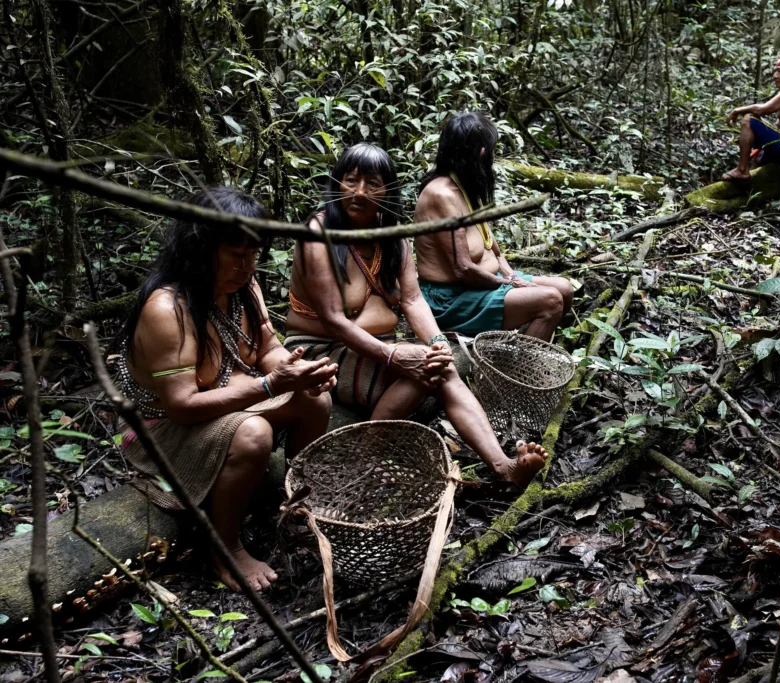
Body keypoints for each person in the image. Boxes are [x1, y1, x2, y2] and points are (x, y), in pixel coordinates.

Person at [114, 187, 338, 592]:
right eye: (237, 255)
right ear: (202, 249)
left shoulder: (243, 288)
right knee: (254, 434)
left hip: (223, 396)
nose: (248, 266)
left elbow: (268, 347)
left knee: (315, 398)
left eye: (253, 255)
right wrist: (271, 384)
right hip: (160, 428)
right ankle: (225, 548)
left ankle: (296, 503)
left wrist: (297, 371)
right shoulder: (167, 309)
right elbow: (181, 406)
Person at [284, 143, 548, 486]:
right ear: (336, 184)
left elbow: (412, 300)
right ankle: (366, 457)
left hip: (378, 344)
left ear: (388, 190)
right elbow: (334, 319)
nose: (359, 192)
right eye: (350, 180)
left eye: (372, 184)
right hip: (322, 346)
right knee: (424, 370)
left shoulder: (394, 238)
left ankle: (503, 466)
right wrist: (393, 355)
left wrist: (437, 342)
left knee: (441, 364)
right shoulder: (318, 235)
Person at [413, 112, 573, 341]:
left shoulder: (467, 186)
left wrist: (511, 277)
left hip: (486, 284)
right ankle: (519, 368)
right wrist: (508, 284)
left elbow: (494, 250)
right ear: (480, 153)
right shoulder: (441, 194)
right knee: (551, 300)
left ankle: (523, 344)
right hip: (451, 300)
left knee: (564, 289)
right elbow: (463, 269)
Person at [722, 51, 780, 182]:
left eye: (779, 71)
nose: (775, 76)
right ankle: (751, 189)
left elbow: (763, 110)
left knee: (749, 119)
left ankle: (742, 170)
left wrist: (737, 110)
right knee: (758, 159)